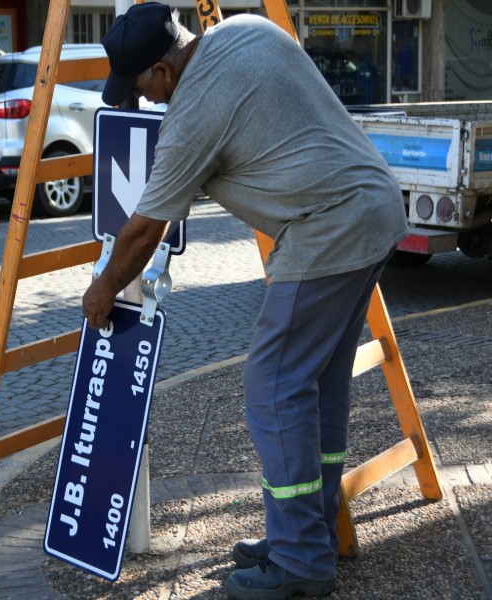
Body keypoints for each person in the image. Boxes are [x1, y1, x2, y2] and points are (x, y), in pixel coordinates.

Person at [81, 3, 407, 599]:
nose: (145, 102)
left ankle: (300, 561)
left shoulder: (192, 111)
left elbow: (143, 230)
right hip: (376, 208)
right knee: (317, 384)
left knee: (274, 383)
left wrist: (102, 292)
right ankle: (307, 534)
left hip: (326, 229)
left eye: (141, 88)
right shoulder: (245, 29)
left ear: (163, 69)